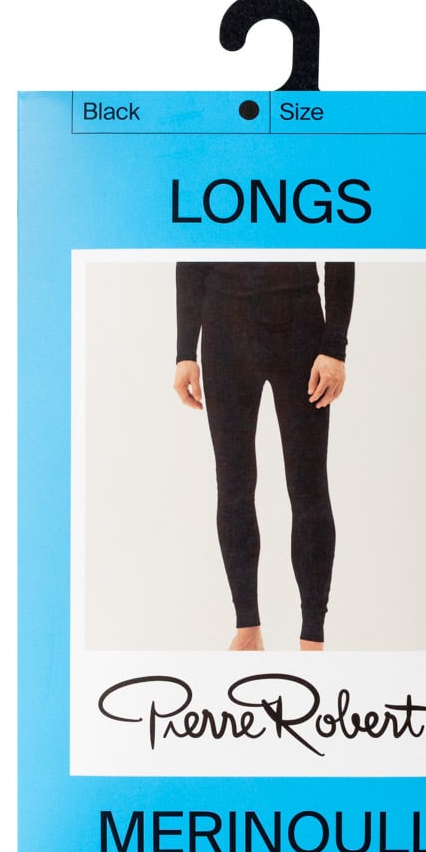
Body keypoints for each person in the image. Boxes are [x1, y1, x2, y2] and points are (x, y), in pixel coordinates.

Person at [173, 261, 354, 651]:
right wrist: (184, 351)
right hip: (223, 327)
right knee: (234, 486)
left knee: (308, 486)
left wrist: (334, 346)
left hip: (299, 324)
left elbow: (342, 250)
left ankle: (313, 640)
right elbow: (190, 253)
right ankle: (247, 629)